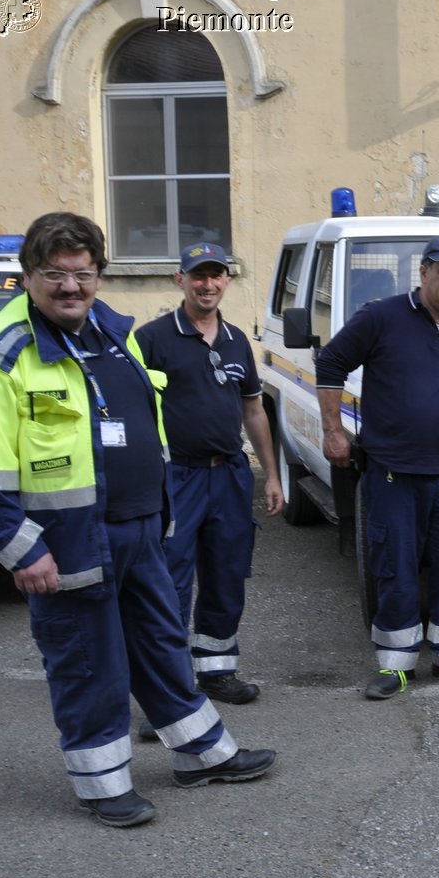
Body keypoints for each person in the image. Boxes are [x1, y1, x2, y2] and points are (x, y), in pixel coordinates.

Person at [0, 212, 276, 828]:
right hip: (66, 544)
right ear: (28, 277)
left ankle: (203, 753)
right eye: (54, 274)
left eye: (83, 273)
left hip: (141, 528)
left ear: (99, 275)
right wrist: (18, 550)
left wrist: (161, 511)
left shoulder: (109, 329)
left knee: (160, 647)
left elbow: (142, 419)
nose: (71, 287)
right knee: (88, 663)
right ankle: (102, 785)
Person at [315, 237, 439, 699]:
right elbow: (332, 363)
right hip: (394, 473)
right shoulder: (382, 317)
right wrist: (333, 431)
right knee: (395, 565)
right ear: (423, 273)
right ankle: (395, 664)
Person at [135, 243, 283, 707]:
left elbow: (254, 411)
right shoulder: (152, 339)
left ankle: (217, 671)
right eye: (198, 275)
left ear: (227, 281)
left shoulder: (237, 339)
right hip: (175, 479)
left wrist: (273, 476)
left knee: (226, 576)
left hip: (231, 478)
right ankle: (169, 691)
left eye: (216, 275)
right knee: (170, 584)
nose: (207, 284)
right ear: (180, 280)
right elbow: (131, 409)